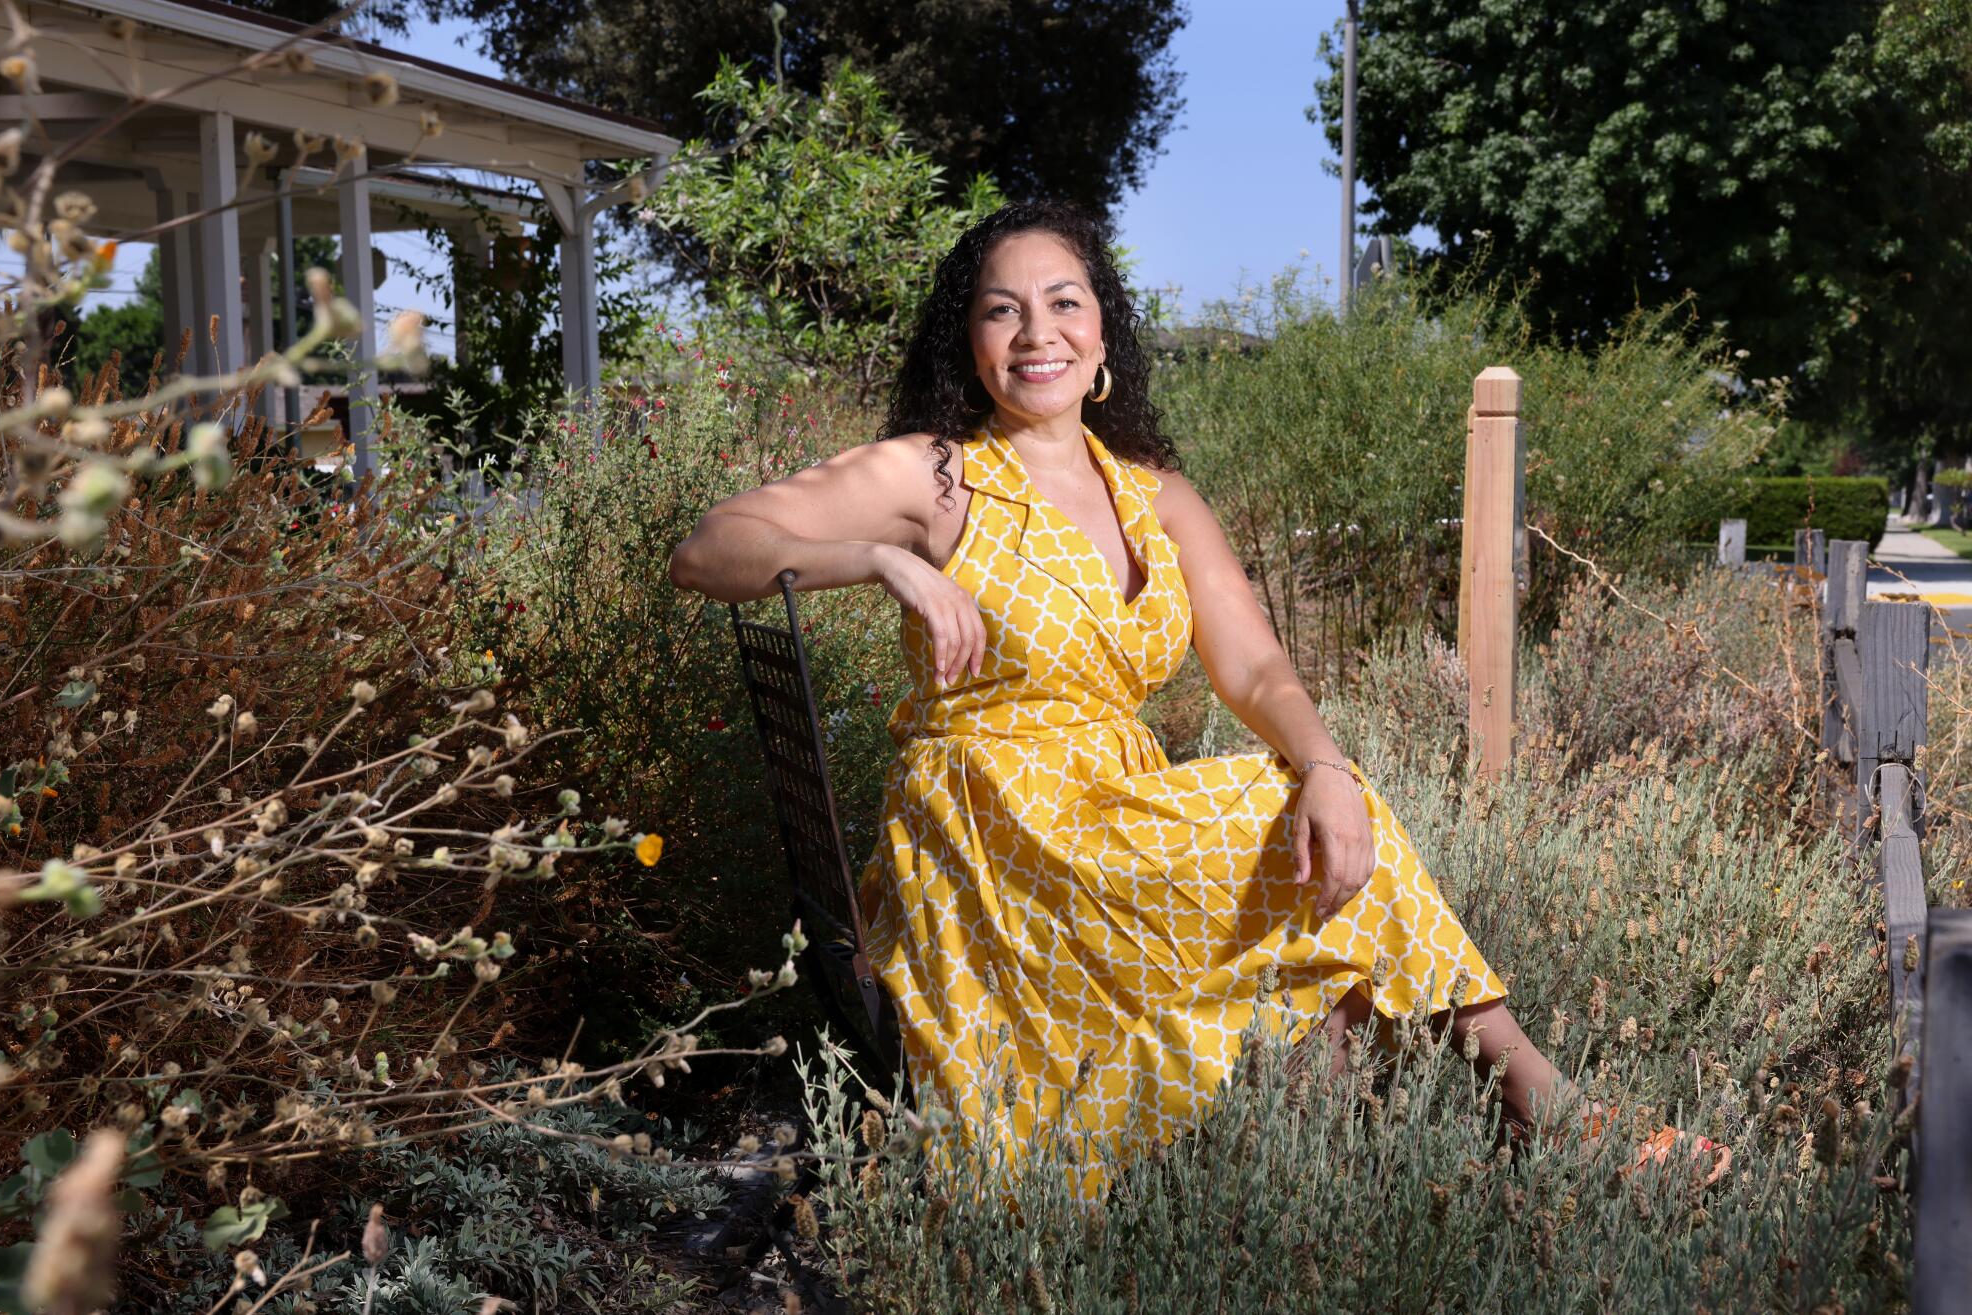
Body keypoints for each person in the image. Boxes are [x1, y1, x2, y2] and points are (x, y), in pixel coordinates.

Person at [669, 199, 1724, 1183]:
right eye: (1002, 311)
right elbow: (709, 548)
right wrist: (884, 560)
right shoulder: (937, 476)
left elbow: (1256, 668)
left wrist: (1324, 766)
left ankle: (1357, 1151)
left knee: (1320, 809)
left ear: (1101, 337)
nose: (1035, 333)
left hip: (1110, 822)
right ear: (971, 340)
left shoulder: (1155, 496)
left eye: (1062, 303)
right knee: (1300, 839)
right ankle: (1548, 1113)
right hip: (994, 836)